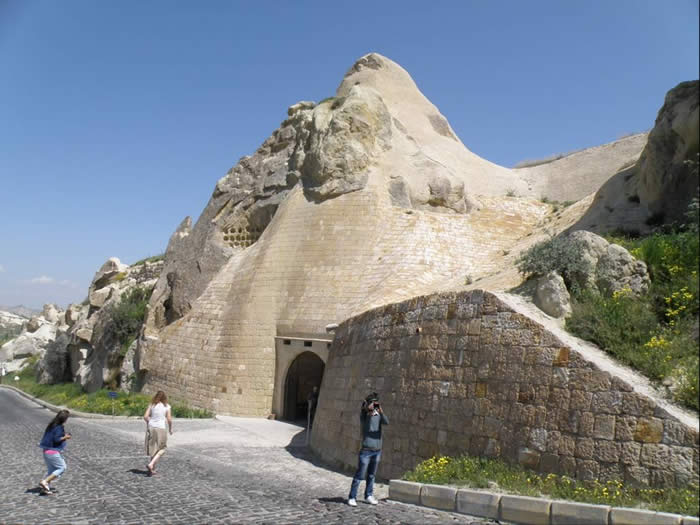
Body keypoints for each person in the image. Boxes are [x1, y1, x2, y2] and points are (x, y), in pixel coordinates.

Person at [347, 392, 389, 507]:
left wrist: (381, 411)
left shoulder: (379, 415)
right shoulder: (364, 415)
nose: (374, 405)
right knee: (360, 474)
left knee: (371, 475)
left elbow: (387, 422)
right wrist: (368, 411)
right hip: (366, 450)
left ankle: (368, 495)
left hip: (377, 450)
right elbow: (368, 425)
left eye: (375, 403)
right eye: (372, 403)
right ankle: (352, 497)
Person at [38, 409, 71, 494]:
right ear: (64, 419)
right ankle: (45, 481)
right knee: (62, 467)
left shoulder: (52, 425)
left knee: (51, 470)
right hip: (53, 452)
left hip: (46, 451)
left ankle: (45, 488)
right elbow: (56, 439)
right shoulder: (59, 427)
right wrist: (66, 437)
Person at [143, 390, 172, 476]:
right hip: (161, 428)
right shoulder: (167, 406)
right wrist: (170, 429)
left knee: (153, 449)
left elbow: (145, 417)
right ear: (165, 398)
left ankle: (151, 470)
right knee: (162, 449)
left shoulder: (152, 405)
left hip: (151, 427)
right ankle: (151, 464)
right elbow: (169, 419)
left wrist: (150, 422)